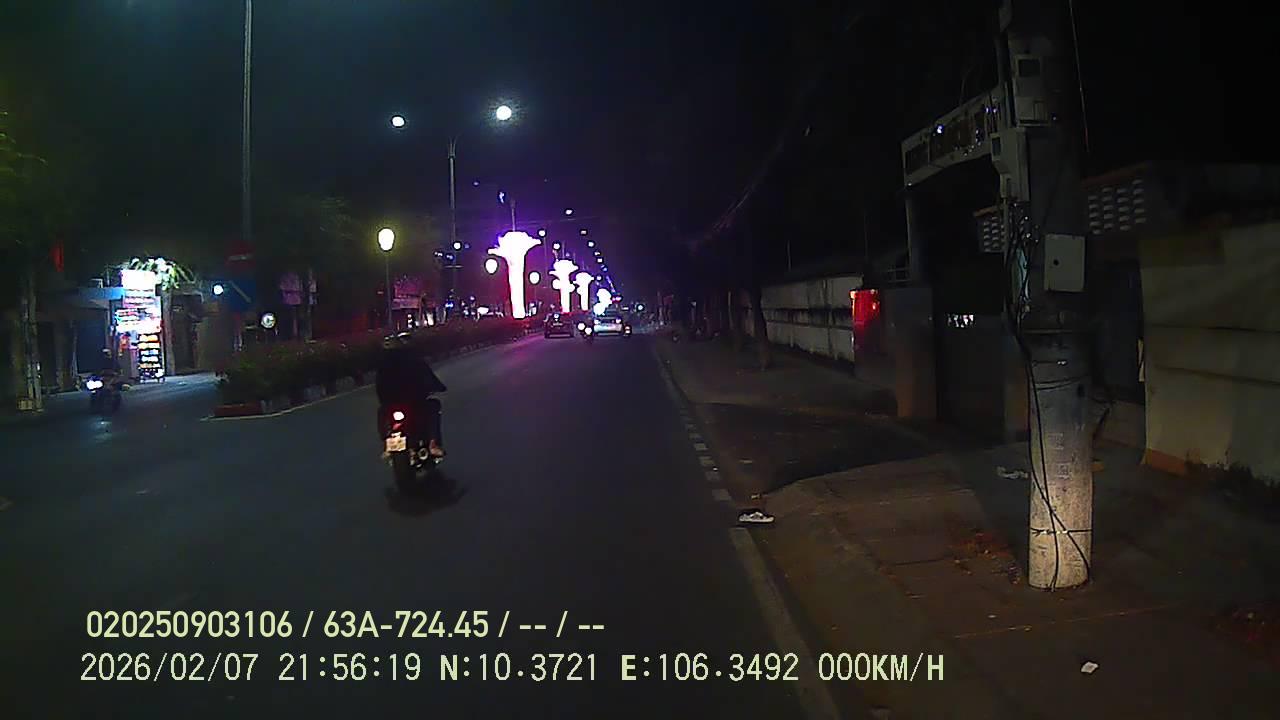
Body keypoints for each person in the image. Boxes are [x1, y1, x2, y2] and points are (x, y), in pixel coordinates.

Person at [375, 334, 447, 457]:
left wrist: (384, 399)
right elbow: (428, 376)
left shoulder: (383, 363)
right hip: (414, 401)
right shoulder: (413, 359)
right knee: (434, 407)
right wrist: (439, 387)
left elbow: (379, 385)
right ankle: (433, 443)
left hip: (391, 403)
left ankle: (387, 444)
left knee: (382, 413)